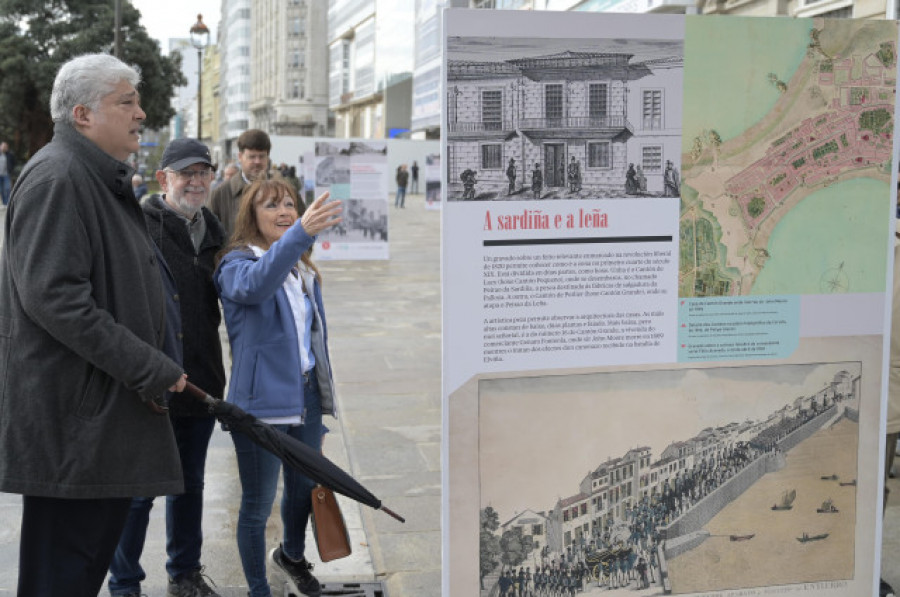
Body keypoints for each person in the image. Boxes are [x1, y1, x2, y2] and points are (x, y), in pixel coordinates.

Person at [0, 53, 186, 597]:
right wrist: (151, 367)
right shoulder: (59, 177)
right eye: (126, 101)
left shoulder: (90, 175)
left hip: (98, 424)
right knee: (61, 578)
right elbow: (55, 299)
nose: (141, 112)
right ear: (82, 114)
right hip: (76, 428)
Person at [107, 138, 227, 597]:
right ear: (164, 179)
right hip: (151, 385)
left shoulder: (215, 230)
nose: (195, 182)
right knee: (139, 494)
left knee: (190, 485)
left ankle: (185, 574)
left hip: (200, 381)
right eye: (185, 173)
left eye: (203, 173)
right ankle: (124, 585)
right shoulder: (138, 225)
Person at [214, 180, 343, 597]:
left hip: (304, 396)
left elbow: (313, 341)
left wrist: (321, 401)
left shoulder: (302, 267)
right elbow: (254, 286)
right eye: (272, 205)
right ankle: (258, 590)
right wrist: (300, 234)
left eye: (290, 204)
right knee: (257, 503)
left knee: (303, 489)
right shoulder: (236, 263)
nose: (285, 211)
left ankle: (290, 554)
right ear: (251, 216)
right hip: (260, 406)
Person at [208, 128, 273, 239]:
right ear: (240, 157)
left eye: (261, 156)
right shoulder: (220, 195)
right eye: (252, 157)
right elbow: (209, 237)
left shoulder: (283, 192)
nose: (257, 161)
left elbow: (302, 231)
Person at [0, 141, 15, 205]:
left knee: (7, 188)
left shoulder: (10, 154)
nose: (3, 148)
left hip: (7, 174)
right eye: (2, 146)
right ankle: (4, 202)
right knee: (1, 189)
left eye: (5, 147)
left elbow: (14, 162)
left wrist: (11, 169)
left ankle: (8, 203)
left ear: (7, 148)